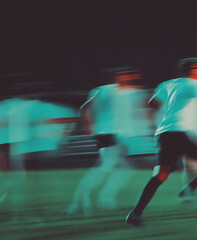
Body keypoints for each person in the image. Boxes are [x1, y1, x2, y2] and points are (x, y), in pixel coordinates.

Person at [125, 57, 197, 226]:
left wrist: (168, 113)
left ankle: (135, 214)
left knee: (160, 174)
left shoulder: (167, 84)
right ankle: (190, 187)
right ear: (194, 70)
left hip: (164, 133)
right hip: (179, 133)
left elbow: (152, 102)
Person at [63, 67, 154, 215]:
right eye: (124, 74)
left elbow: (142, 112)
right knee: (106, 166)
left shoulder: (132, 91)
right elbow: (84, 108)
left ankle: (104, 198)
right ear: (116, 77)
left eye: (130, 74)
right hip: (108, 133)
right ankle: (79, 202)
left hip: (122, 134)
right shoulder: (103, 90)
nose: (128, 77)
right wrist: (90, 126)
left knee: (125, 168)